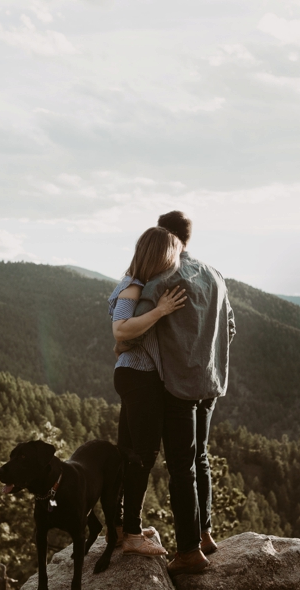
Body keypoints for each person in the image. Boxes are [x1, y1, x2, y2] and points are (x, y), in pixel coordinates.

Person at [133, 211, 236, 575]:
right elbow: (232, 327)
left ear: (164, 236)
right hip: (210, 382)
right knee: (201, 457)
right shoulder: (216, 276)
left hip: (177, 385)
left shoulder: (162, 281)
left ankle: (190, 551)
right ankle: (205, 533)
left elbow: (134, 331)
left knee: (181, 468)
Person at [107, 226, 188, 556]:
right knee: (143, 455)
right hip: (139, 378)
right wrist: (161, 311)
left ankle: (119, 524)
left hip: (131, 375)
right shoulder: (135, 286)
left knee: (127, 453)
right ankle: (133, 534)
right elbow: (120, 329)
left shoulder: (132, 283)